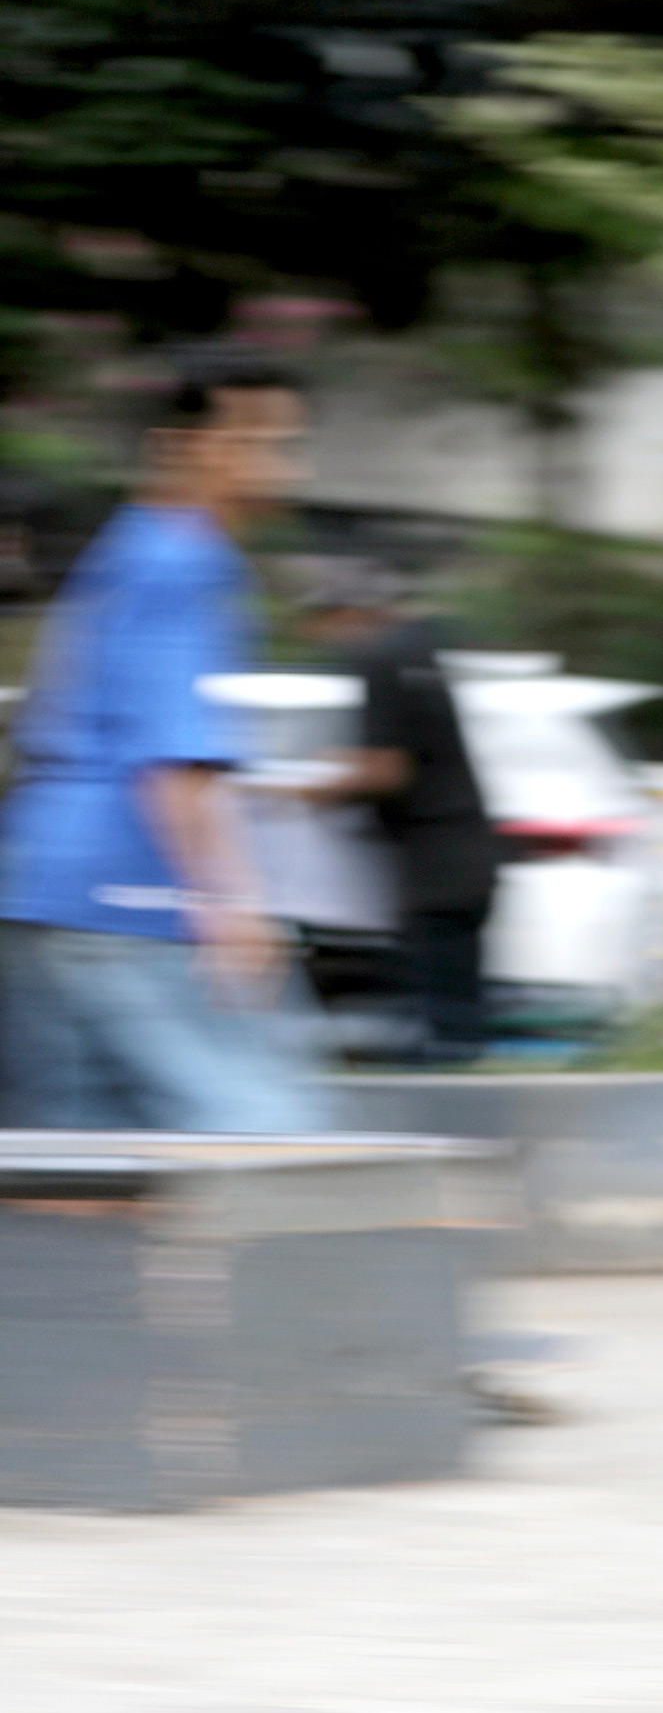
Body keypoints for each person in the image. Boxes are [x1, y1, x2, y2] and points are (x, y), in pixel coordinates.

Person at [0, 351, 324, 1131]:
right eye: (262, 441)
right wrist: (232, 907)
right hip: (133, 894)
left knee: (74, 1173)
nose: (288, 467)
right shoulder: (189, 562)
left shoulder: (128, 545)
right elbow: (176, 761)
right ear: (184, 447)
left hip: (43, 886)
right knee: (272, 1142)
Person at [295, 559, 504, 1064]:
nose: (323, 637)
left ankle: (454, 1123)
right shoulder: (419, 651)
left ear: (345, 613)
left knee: (442, 1036)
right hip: (466, 859)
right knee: (457, 1020)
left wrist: (306, 794)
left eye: (322, 622)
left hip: (434, 870)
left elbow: (389, 772)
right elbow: (415, 751)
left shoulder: (379, 659)